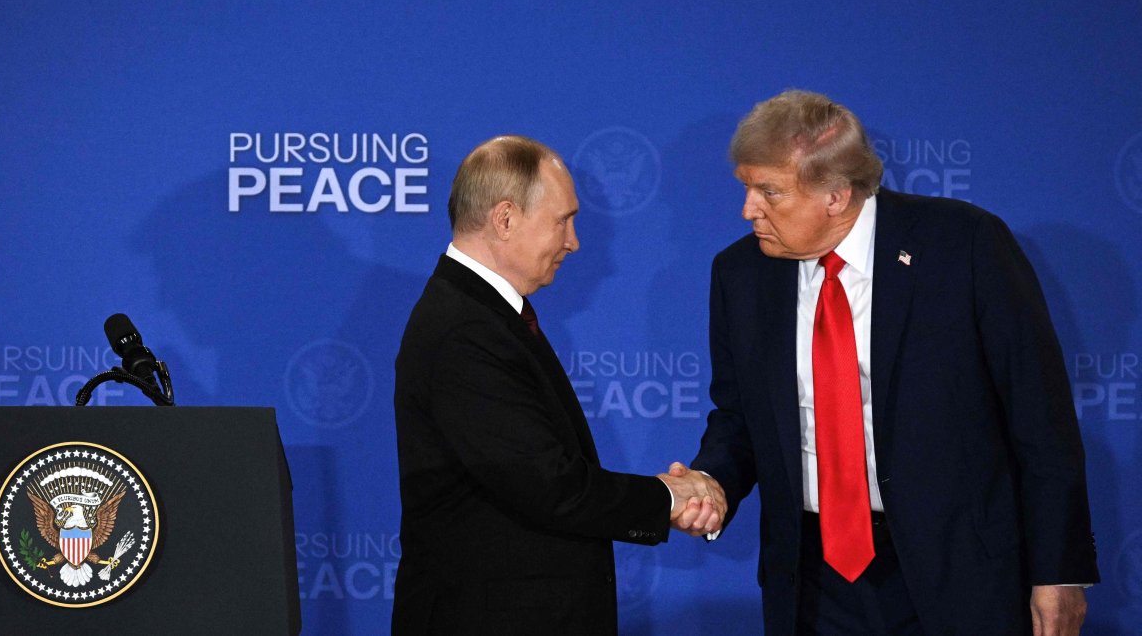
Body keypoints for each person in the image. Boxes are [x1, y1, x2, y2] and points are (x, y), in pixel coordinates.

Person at [672, 91, 1098, 635]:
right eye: (747, 187)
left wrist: (1059, 571)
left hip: (961, 574)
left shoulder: (963, 245)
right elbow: (738, 418)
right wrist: (711, 481)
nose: (748, 209)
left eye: (769, 191)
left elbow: (1040, 416)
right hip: (813, 579)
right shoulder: (740, 274)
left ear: (835, 194)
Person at [392, 135, 724, 635]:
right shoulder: (465, 331)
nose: (574, 241)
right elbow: (548, 485)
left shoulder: (486, 315)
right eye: (562, 220)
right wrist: (669, 498)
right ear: (505, 220)